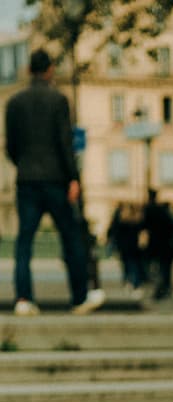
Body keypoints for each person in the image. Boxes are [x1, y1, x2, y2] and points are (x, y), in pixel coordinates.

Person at [4, 47, 103, 315]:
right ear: (49, 70)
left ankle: (24, 299)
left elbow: (10, 145)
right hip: (56, 179)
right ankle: (79, 297)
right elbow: (64, 142)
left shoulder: (14, 103)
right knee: (70, 237)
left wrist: (23, 164)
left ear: (27, 70)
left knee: (24, 241)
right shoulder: (58, 100)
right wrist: (73, 178)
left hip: (27, 180)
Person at [142, 189, 173, 300]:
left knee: (155, 268)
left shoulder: (148, 210)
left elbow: (144, 225)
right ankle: (163, 288)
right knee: (164, 268)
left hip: (155, 244)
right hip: (165, 244)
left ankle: (159, 289)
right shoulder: (163, 211)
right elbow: (171, 226)